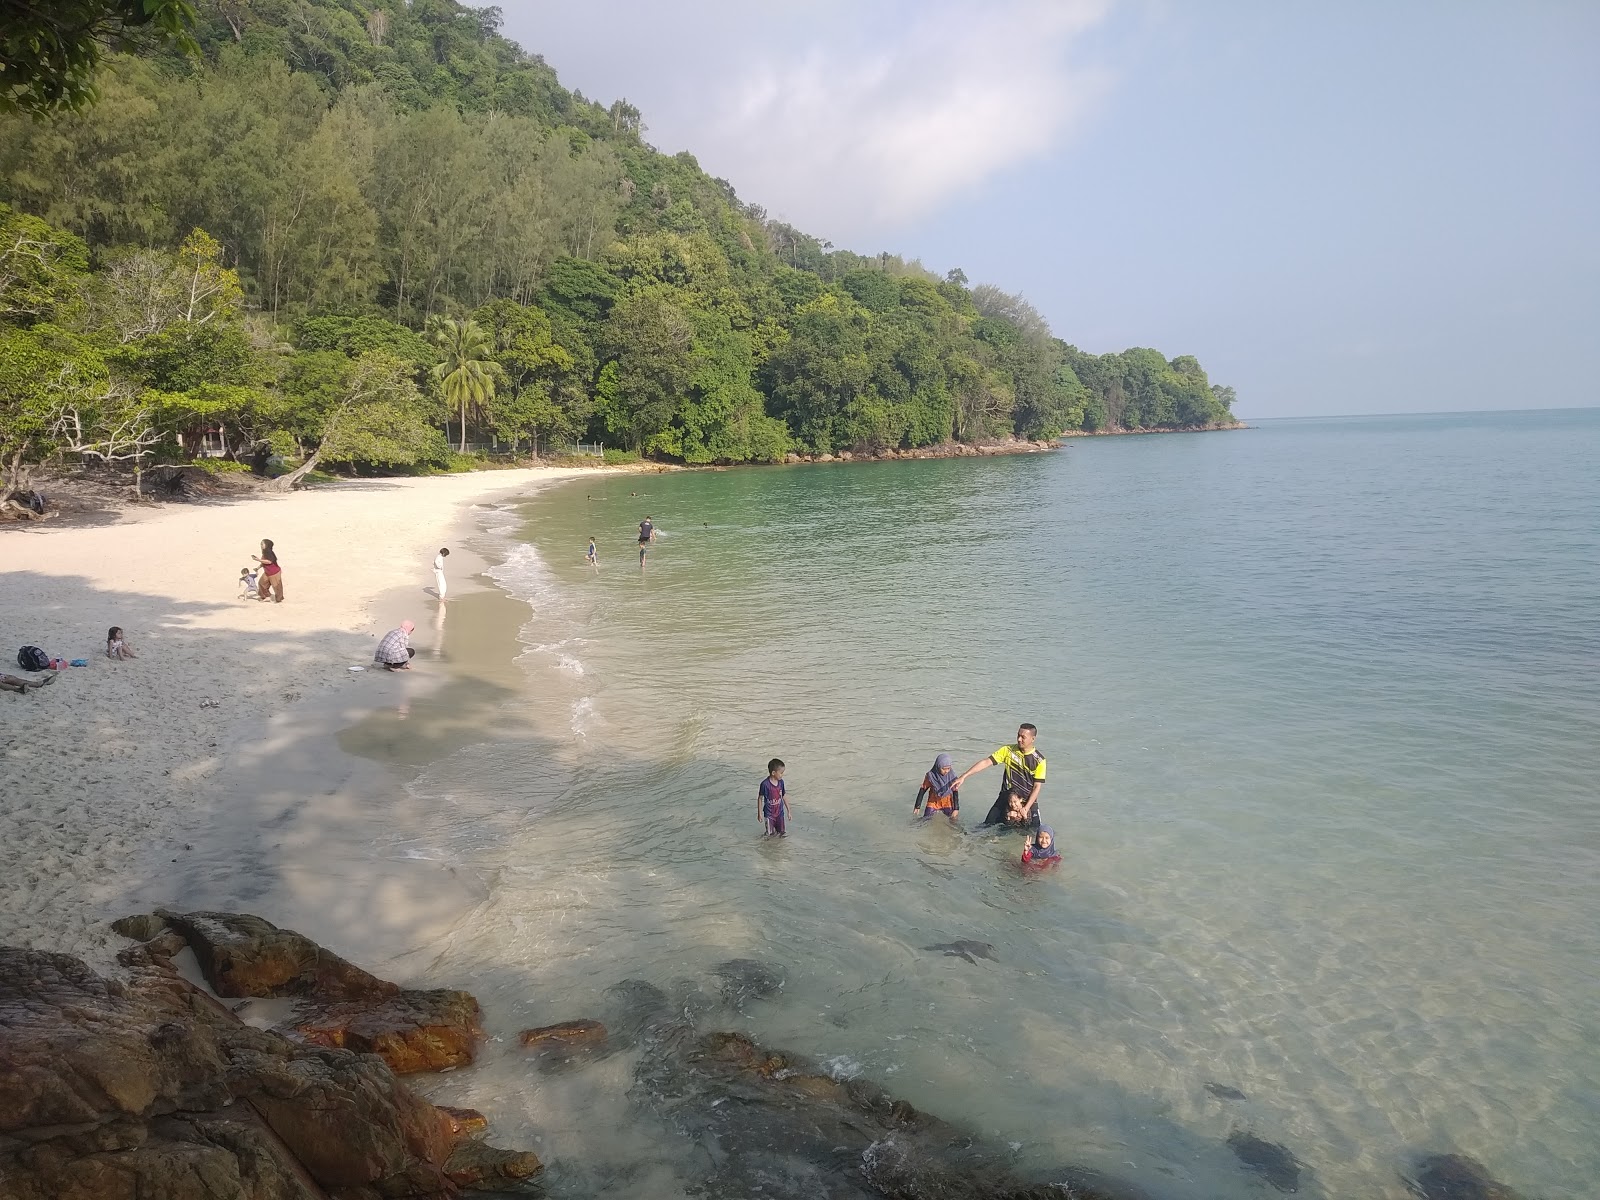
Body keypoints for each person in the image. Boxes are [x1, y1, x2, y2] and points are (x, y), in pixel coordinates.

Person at [954, 723, 1046, 830]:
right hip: (1006, 798)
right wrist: (964, 776)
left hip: (1027, 802)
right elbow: (986, 762)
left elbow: (1037, 787)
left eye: (1023, 737)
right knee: (985, 828)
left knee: (1035, 834)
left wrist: (1026, 808)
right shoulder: (1008, 750)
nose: (1019, 739)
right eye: (1018, 735)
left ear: (1032, 738)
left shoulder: (1039, 760)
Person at [913, 753, 961, 823]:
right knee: (925, 820)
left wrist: (956, 809)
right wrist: (917, 806)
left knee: (953, 821)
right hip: (933, 801)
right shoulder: (930, 776)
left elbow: (955, 791)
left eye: (948, 768)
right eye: (944, 769)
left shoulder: (952, 776)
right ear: (938, 766)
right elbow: (923, 789)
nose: (947, 771)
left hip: (947, 802)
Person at [758, 758, 789, 837]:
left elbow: (784, 796)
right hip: (769, 814)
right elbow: (760, 798)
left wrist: (789, 810)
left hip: (780, 813)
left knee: (782, 833)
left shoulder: (781, 782)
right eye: (781, 773)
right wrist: (759, 814)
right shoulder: (765, 784)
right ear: (773, 773)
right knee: (770, 834)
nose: (782, 775)